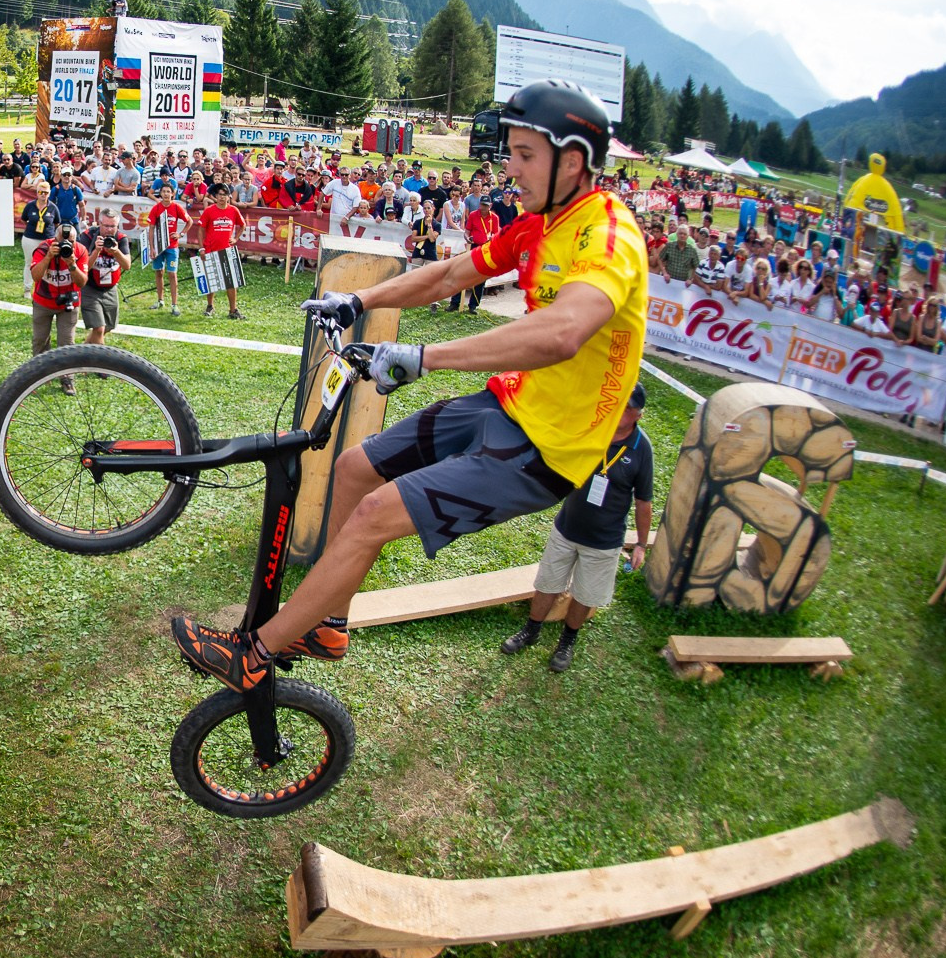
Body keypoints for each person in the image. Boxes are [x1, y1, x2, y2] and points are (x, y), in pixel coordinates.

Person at [171, 80, 648, 690]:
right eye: (512, 151)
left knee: (372, 514)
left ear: (573, 161)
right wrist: (357, 300)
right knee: (352, 470)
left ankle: (254, 654)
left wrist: (424, 357)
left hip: (548, 452)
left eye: (526, 154)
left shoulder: (607, 236)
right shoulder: (540, 224)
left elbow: (562, 333)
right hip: (506, 405)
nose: (510, 166)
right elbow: (449, 274)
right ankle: (329, 622)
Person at [500, 382, 653, 673]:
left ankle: (567, 642)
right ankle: (531, 630)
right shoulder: (595, 427)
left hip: (604, 540)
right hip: (567, 528)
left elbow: (644, 502)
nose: (620, 410)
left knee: (585, 595)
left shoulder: (641, 449)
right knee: (547, 583)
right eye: (618, 403)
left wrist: (642, 545)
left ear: (638, 415)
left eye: (628, 407)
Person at [30, 224, 90, 392]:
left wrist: (72, 265)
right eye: (63, 241)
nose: (67, 245)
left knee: (67, 342)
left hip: (68, 303)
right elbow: (35, 276)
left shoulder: (80, 251)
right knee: (40, 340)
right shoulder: (43, 248)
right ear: (55, 239)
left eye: (70, 241)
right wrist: (48, 256)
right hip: (44, 301)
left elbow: (82, 282)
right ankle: (39, 375)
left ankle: (67, 379)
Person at [197, 183, 246, 319]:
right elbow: (200, 230)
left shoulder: (233, 210)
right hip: (210, 249)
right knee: (211, 279)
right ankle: (210, 305)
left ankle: (233, 310)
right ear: (216, 196)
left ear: (228, 196)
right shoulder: (209, 211)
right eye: (219, 194)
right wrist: (201, 248)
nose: (222, 197)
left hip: (227, 251)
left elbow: (243, 225)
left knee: (230, 281)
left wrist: (235, 238)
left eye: (224, 195)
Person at [78, 220, 126, 345]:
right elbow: (84, 267)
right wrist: (96, 251)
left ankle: (83, 351)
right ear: (100, 224)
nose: (109, 229)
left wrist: (116, 252)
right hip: (90, 287)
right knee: (99, 329)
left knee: (108, 327)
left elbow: (127, 265)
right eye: (106, 226)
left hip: (110, 288)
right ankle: (100, 361)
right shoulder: (88, 236)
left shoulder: (120, 238)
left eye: (112, 226)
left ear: (117, 226)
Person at [146, 182, 191, 315]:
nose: (166, 194)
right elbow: (151, 229)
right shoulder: (156, 208)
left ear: (172, 194)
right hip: (159, 247)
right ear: (160, 193)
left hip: (172, 246)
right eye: (163, 191)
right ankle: (160, 300)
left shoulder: (177, 207)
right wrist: (152, 248)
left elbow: (190, 221)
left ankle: (174, 304)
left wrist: (180, 234)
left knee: (172, 274)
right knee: (159, 272)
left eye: (168, 192)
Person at [21, 183, 60, 255]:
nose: (43, 194)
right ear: (37, 193)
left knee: (48, 263)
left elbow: (57, 223)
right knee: (30, 263)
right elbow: (23, 219)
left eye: (46, 192)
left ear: (49, 194)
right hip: (30, 238)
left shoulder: (53, 207)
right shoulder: (30, 205)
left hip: (48, 240)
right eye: (40, 192)